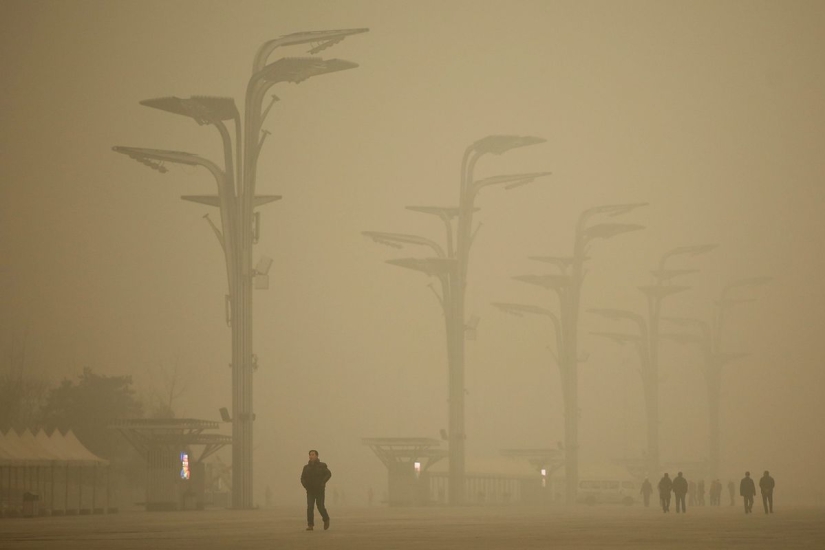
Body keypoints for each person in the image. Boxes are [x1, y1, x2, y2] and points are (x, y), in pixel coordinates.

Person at [301, 449, 332, 531]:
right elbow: (302, 478)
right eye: (310, 454)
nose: (311, 456)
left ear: (317, 456)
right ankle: (310, 525)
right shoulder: (306, 467)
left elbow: (328, 474)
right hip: (310, 490)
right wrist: (305, 485)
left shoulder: (322, 466)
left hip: (319, 490)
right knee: (310, 507)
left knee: (320, 506)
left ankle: (326, 519)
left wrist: (323, 482)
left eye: (313, 454)